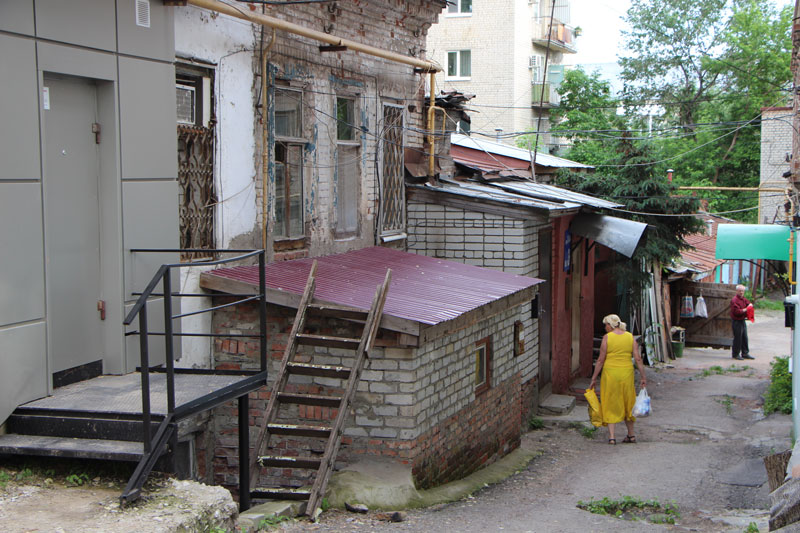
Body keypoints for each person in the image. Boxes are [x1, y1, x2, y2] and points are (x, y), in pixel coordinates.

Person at [589, 314, 648, 445]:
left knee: (610, 401)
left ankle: (612, 437)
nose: (605, 327)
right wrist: (643, 376)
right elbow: (638, 359)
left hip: (610, 374)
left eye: (605, 325)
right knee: (628, 401)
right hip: (626, 373)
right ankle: (631, 435)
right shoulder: (630, 337)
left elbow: (600, 360)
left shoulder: (607, 337)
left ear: (610, 325)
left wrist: (594, 378)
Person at [730, 284, 754, 360]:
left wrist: (750, 305)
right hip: (736, 321)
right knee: (738, 338)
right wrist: (746, 309)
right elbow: (737, 312)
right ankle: (735, 354)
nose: (741, 292)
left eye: (743, 291)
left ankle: (745, 353)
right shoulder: (734, 300)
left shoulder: (743, 299)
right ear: (736, 291)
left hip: (742, 320)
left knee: (744, 337)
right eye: (740, 291)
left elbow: (749, 303)